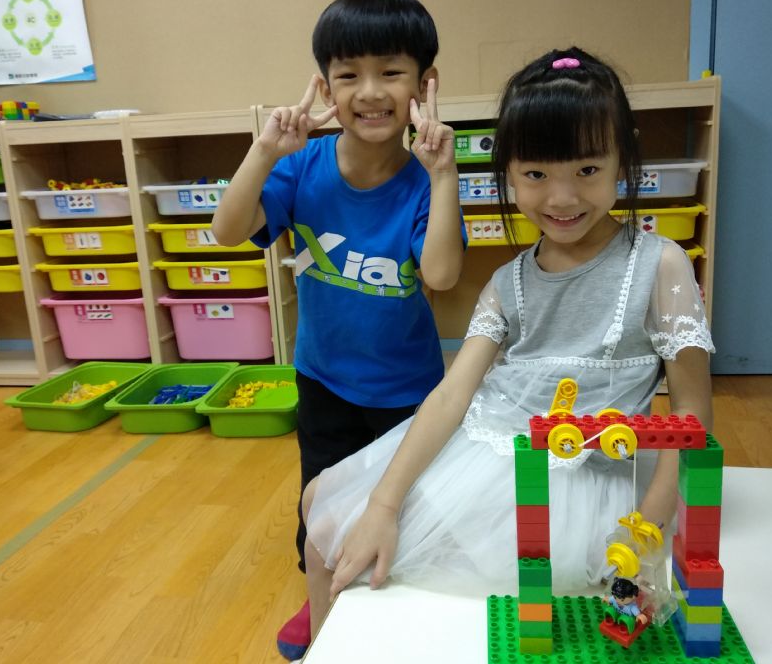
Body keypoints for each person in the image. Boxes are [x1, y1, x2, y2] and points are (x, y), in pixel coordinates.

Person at [300, 47, 715, 644]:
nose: (562, 198)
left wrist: (647, 531)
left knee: (407, 571)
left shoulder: (660, 264)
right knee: (322, 501)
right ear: (509, 174)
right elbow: (451, 397)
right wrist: (384, 506)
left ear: (623, 160)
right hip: (485, 449)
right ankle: (322, 644)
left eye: (587, 170)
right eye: (536, 175)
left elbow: (691, 415)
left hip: (577, 481)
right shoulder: (507, 282)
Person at [210, 0, 465, 660]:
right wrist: (265, 152)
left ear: (425, 84)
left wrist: (444, 178)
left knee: (402, 506)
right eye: (349, 75)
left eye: (391, 72)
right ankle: (320, 592)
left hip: (409, 391)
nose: (370, 92)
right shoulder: (303, 169)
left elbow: (441, 275)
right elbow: (226, 231)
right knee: (319, 506)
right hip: (323, 381)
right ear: (325, 87)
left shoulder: (425, 181)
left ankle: (390, 594)